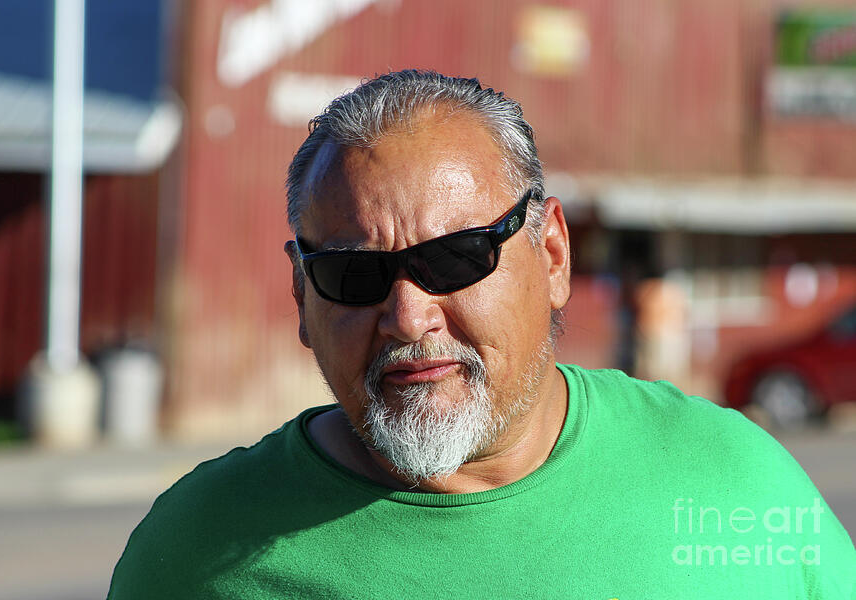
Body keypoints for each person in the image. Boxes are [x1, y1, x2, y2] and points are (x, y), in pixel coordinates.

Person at [108, 70, 855, 599]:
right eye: (354, 276)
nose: (407, 315)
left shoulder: (733, 482)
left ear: (553, 255)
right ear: (303, 295)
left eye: (453, 259)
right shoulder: (197, 553)